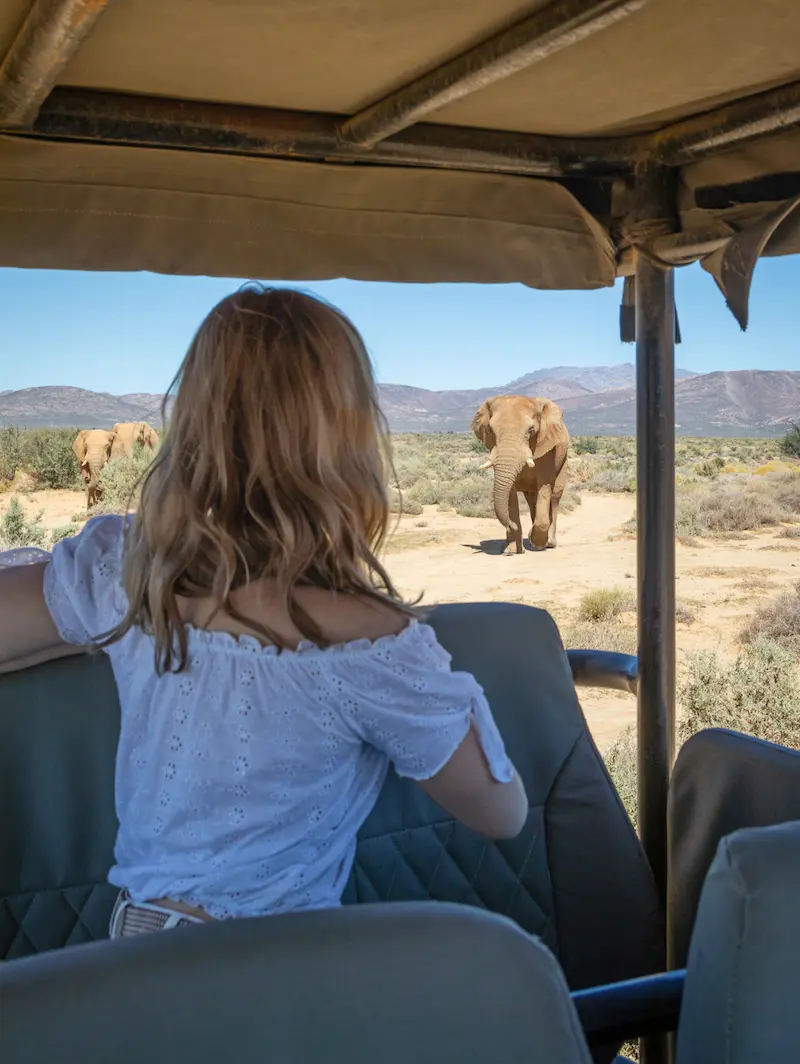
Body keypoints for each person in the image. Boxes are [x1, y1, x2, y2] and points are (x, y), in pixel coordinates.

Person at [0, 286, 528, 936]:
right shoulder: (370, 637)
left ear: (192, 423)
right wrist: (449, 689)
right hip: (277, 974)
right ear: (352, 438)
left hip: (135, 954)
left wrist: (100, 621)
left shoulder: (128, 570)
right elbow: (503, 813)